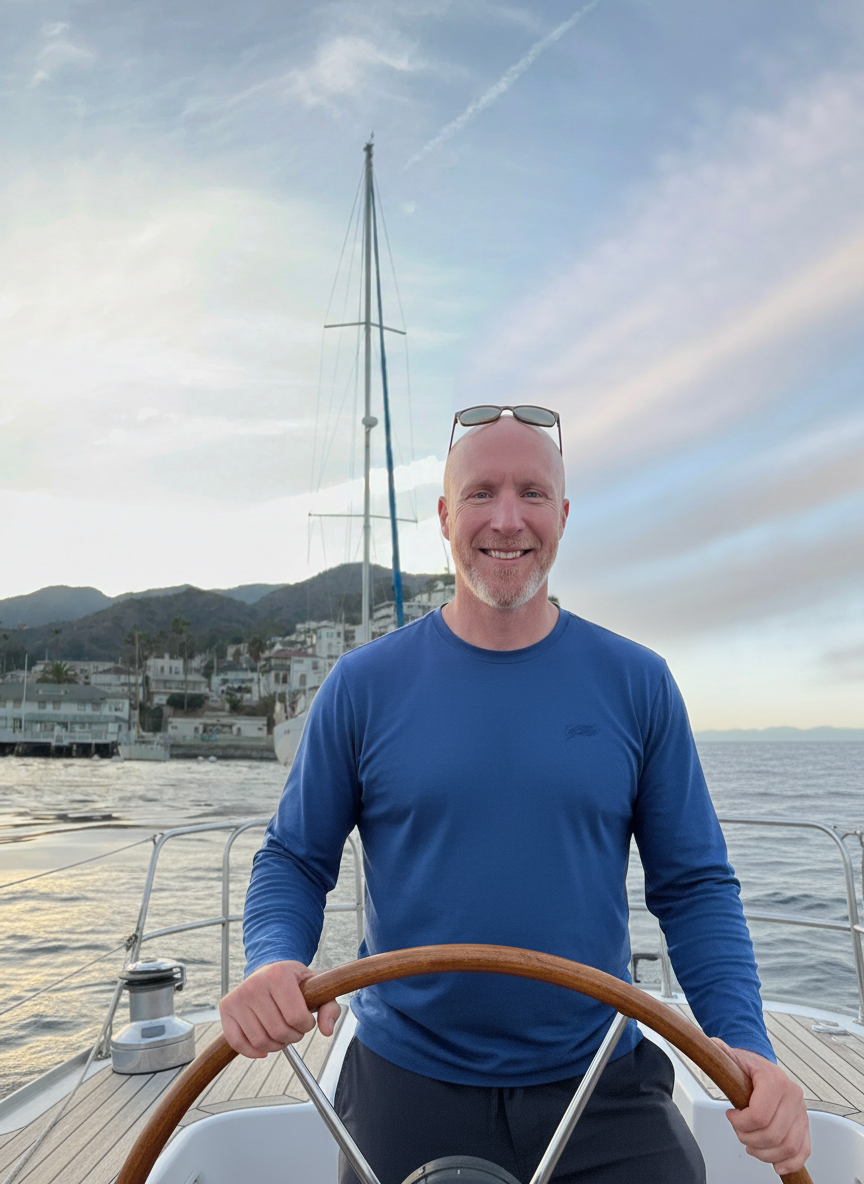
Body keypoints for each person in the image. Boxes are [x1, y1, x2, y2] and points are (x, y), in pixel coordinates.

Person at [220, 408, 810, 1184]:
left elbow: (694, 888)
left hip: (599, 1070)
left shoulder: (638, 684)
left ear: (562, 516)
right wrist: (274, 959)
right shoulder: (362, 687)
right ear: (443, 516)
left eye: (532, 493)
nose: (507, 519)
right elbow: (294, 860)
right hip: (408, 1074)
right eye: (480, 494)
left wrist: (747, 1046)